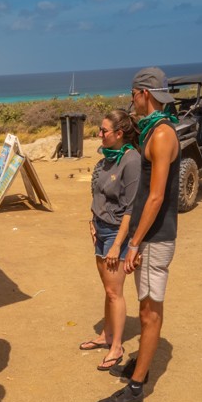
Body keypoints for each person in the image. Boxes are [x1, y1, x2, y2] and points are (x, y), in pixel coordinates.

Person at [96, 67, 181, 402]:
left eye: (132, 94)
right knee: (146, 303)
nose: (130, 101)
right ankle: (139, 368)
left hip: (156, 236)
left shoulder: (160, 135)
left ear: (144, 93)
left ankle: (136, 387)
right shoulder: (149, 131)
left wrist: (133, 243)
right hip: (147, 234)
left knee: (149, 311)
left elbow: (156, 196)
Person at [84, 110, 142, 371]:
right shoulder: (107, 157)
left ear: (119, 134)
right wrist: (92, 219)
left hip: (116, 233)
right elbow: (98, 192)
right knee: (107, 290)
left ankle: (116, 346)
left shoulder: (131, 161)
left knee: (114, 291)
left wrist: (119, 245)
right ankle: (106, 335)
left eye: (104, 131)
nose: (99, 134)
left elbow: (131, 208)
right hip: (100, 228)